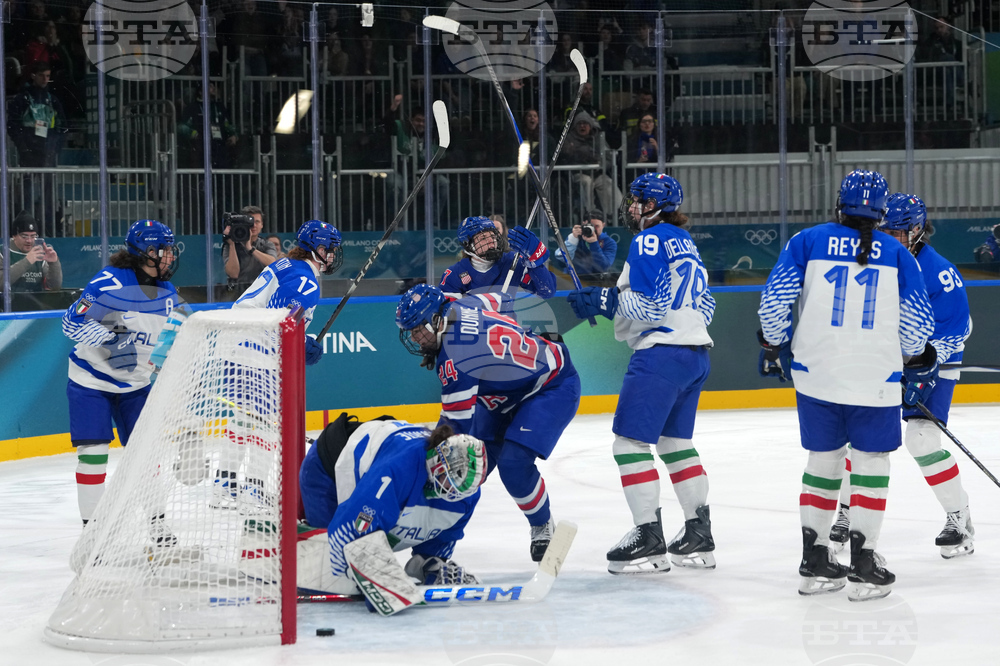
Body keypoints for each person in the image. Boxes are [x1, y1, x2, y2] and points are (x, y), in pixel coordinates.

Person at [757, 170, 936, 601]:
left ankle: (815, 562)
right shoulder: (898, 253)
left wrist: (773, 344)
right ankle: (864, 564)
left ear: (840, 204)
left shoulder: (807, 240)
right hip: (875, 378)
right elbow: (917, 326)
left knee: (823, 461)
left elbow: (774, 303)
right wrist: (911, 357)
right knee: (871, 464)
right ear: (881, 212)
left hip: (815, 375)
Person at [566, 173, 716, 576]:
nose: (630, 207)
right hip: (695, 354)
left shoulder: (649, 239)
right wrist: (613, 299)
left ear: (653, 206)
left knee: (629, 444)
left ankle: (648, 537)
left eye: (637, 200)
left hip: (661, 354)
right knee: (674, 443)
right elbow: (707, 305)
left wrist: (605, 300)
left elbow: (651, 308)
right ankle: (698, 533)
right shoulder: (685, 241)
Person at [827, 193, 974, 559]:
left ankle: (960, 519)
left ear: (918, 230)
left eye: (898, 232)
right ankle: (847, 511)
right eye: (885, 231)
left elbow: (956, 329)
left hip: (935, 361)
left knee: (922, 440)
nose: (890, 238)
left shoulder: (938, 270)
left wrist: (923, 367)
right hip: (886, 359)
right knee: (860, 439)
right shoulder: (875, 261)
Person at [395, 284, 581, 561]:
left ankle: (542, 525)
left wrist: (421, 460)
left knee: (504, 465)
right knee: (462, 474)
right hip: (502, 395)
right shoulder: (462, 304)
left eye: (418, 329)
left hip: (551, 385)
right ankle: (432, 551)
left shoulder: (457, 358)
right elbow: (502, 299)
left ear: (436, 320)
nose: (414, 337)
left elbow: (453, 431)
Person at [61, 220, 183, 531]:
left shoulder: (169, 294)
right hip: (91, 381)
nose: (171, 256)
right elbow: (70, 323)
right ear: (147, 252)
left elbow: (168, 343)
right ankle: (92, 531)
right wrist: (111, 338)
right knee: (93, 454)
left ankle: (158, 527)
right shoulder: (108, 283)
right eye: (165, 250)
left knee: (147, 456)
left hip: (136, 385)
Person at [296, 413, 486, 596]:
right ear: (438, 464)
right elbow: (350, 533)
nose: (455, 493)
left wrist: (430, 564)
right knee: (328, 575)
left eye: (464, 486)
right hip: (328, 467)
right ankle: (294, 538)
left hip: (384, 453)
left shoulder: (467, 495)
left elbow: (442, 537)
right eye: (452, 480)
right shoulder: (399, 469)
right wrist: (376, 578)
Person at [232, 219, 342, 367]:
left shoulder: (289, 265)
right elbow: (282, 327)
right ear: (321, 251)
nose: (333, 256)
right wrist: (304, 344)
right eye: (332, 250)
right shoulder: (305, 282)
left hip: (240, 346)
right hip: (252, 354)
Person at [439, 216, 556, 309]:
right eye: (483, 238)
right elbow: (446, 315)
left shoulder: (513, 262)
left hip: (506, 330)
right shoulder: (455, 273)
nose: (491, 241)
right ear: (468, 245)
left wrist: (535, 262)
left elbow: (547, 292)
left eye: (493, 236)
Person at [562, 110, 623, 219]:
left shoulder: (598, 138)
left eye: (585, 123)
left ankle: (615, 213)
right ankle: (589, 213)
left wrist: (601, 165)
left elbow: (608, 157)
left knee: (607, 183)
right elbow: (565, 157)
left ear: (590, 125)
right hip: (578, 174)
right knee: (587, 182)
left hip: (597, 173)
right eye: (579, 124)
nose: (582, 126)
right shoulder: (568, 139)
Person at [177, 81, 239, 168]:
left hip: (220, 147)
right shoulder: (192, 107)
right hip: (200, 147)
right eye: (209, 86)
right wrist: (193, 133)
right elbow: (181, 127)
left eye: (213, 86)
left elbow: (228, 125)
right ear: (200, 92)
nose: (213, 88)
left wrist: (234, 135)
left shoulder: (220, 106)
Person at [222, 205, 278, 298]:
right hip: (238, 295)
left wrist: (250, 248)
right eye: (250, 222)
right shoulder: (230, 245)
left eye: (257, 222)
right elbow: (233, 274)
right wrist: (232, 244)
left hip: (262, 293)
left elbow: (273, 263)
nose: (254, 225)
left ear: (262, 225)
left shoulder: (266, 244)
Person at [5, 210, 61, 292]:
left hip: (36, 300)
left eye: (33, 236)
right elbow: (2, 283)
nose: (29, 241)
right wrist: (27, 261)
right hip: (9, 300)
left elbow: (53, 287)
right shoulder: (2, 253)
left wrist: (54, 264)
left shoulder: (40, 255)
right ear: (14, 236)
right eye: (24, 236)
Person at [558, 211, 618, 278]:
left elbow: (602, 268)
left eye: (597, 226)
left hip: (596, 281)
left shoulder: (609, 243)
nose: (593, 230)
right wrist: (572, 240)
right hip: (573, 279)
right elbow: (561, 263)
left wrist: (594, 243)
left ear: (603, 225)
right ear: (584, 224)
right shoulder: (575, 237)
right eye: (591, 226)